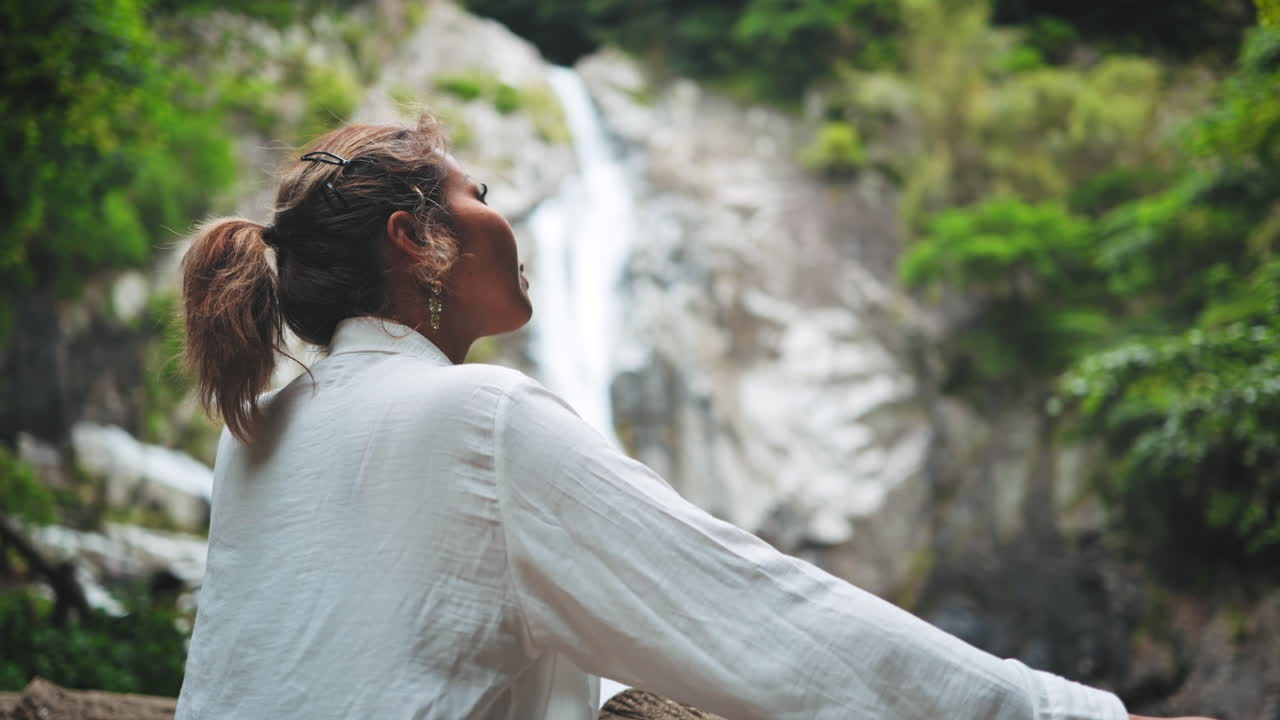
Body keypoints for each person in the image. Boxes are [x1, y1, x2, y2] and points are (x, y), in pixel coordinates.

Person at [173, 115, 1212, 720]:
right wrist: (1056, 709)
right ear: (417, 239)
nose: (509, 217)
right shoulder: (474, 422)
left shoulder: (256, 435)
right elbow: (763, 622)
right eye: (477, 190)